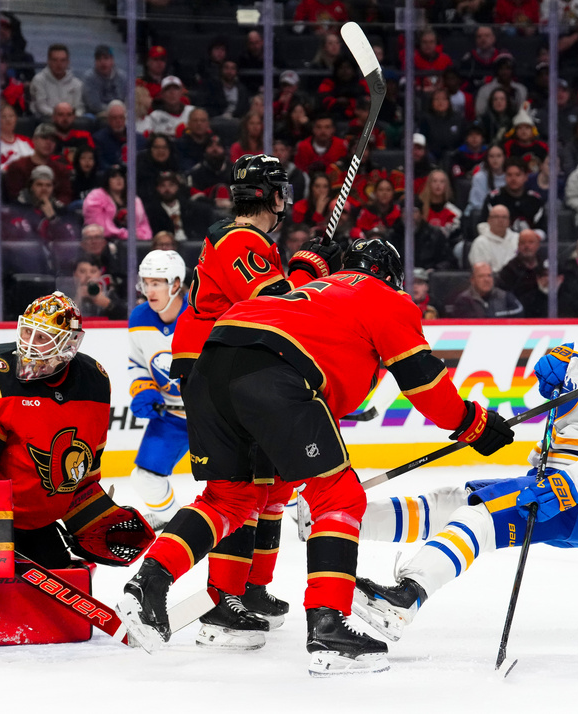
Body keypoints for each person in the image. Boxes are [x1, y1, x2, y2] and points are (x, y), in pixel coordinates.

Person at [117, 237, 515, 674]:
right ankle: (329, 629)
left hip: (211, 367)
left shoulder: (312, 291)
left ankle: (148, 583)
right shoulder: (385, 297)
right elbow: (423, 382)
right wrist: (473, 423)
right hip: (274, 373)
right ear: (391, 277)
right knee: (340, 498)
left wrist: (307, 261)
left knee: (229, 500)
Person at [353, 280, 578, 645]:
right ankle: (344, 523)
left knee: (478, 517)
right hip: (557, 479)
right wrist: (558, 365)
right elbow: (573, 359)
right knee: (452, 502)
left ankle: (404, 601)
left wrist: (565, 489)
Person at [157, 154, 344, 649]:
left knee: (271, 487)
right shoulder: (240, 239)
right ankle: (223, 598)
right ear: (274, 196)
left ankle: (250, 589)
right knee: (236, 492)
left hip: (236, 370)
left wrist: (305, 266)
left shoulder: (252, 242)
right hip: (219, 371)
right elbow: (278, 308)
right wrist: (312, 270)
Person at [0, 291, 152, 577]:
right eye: (27, 333)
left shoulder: (94, 382)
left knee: (60, 596)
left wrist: (95, 518)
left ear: (69, 344)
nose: (29, 346)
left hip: (26, 516)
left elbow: (78, 474)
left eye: (42, 337)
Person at [125, 250, 189, 528]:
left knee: (244, 476)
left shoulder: (200, 316)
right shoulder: (139, 317)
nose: (149, 291)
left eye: (156, 283)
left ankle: (298, 504)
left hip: (212, 417)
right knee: (144, 478)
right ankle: (175, 521)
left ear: (176, 284)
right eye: (146, 283)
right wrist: (144, 390)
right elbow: (138, 364)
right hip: (172, 417)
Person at [3, 123, 74, 205]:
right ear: (34, 140)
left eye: (52, 140)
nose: (48, 143)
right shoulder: (17, 167)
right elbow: (14, 197)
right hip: (24, 213)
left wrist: (55, 207)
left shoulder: (61, 169)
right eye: (44, 138)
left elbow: (65, 195)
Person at [83, 164, 152, 241]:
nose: (119, 179)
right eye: (114, 176)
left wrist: (142, 236)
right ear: (107, 180)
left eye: (121, 176)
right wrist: (126, 235)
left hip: (133, 241)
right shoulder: (95, 197)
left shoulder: (135, 200)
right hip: (106, 241)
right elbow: (101, 227)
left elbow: (144, 225)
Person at [144, 171, 213, 244]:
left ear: (177, 187)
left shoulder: (192, 209)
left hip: (190, 246)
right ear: (157, 188)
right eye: (163, 186)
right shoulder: (151, 212)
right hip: (166, 247)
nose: (167, 189)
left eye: (171, 185)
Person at [482, 157, 546, 235]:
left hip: (527, 244)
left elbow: (542, 230)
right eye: (509, 175)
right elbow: (483, 225)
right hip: (499, 243)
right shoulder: (493, 198)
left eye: (518, 175)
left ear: (526, 177)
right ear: (504, 176)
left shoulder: (535, 200)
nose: (513, 179)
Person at [449, 261, 524, 318]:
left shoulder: (505, 296)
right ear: (472, 280)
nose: (486, 280)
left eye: (489, 276)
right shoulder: (463, 300)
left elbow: (519, 314)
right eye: (481, 276)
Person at [30, 43, 84, 117]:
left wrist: (69, 116)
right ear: (48, 61)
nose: (59, 64)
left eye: (63, 60)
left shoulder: (77, 84)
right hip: (45, 120)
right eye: (55, 60)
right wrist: (61, 116)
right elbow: (41, 106)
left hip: (70, 121)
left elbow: (79, 108)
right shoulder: (39, 80)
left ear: (68, 62)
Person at [497, 229, 543, 306]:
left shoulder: (546, 265)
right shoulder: (509, 270)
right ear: (518, 246)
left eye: (531, 242)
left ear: (538, 245)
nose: (527, 246)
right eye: (523, 243)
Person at [467, 204, 518, 273]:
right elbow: (481, 272)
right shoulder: (480, 243)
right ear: (489, 220)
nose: (501, 220)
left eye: (504, 217)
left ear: (509, 221)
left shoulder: (518, 239)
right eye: (496, 217)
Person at [82, 44, 124, 116]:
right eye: (99, 59)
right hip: (97, 114)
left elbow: (126, 100)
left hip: (120, 113)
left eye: (106, 58)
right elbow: (94, 105)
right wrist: (114, 111)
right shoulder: (89, 78)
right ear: (95, 62)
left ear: (112, 60)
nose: (103, 62)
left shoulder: (122, 77)